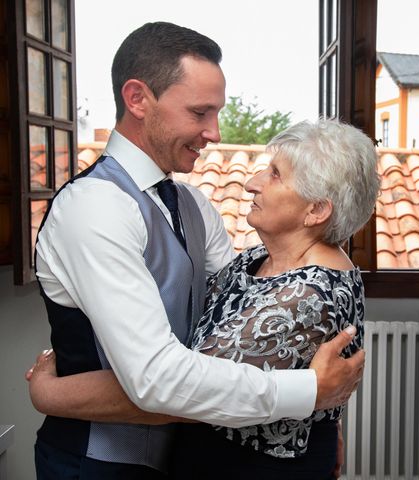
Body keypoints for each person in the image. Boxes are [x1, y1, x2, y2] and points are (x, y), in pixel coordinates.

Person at [32, 21, 364, 479]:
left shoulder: (192, 204)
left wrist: (316, 419)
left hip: (182, 456)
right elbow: (156, 380)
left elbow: (241, 330)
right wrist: (310, 395)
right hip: (95, 463)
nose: (214, 131)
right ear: (137, 99)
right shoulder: (94, 207)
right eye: (200, 112)